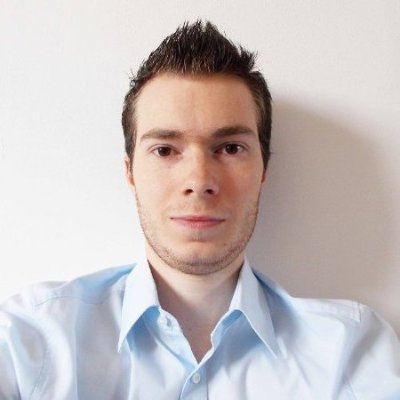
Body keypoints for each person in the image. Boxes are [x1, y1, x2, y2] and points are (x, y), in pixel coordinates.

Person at [0, 20, 399, 400]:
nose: (199, 180)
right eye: (165, 150)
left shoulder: (348, 351)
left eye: (230, 148)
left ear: (263, 169)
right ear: (130, 172)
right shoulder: (31, 340)